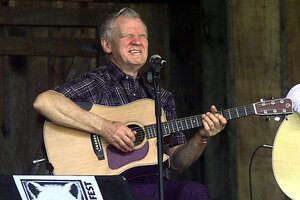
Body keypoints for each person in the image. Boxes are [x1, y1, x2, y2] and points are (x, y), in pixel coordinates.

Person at [33, 7, 227, 200]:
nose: (137, 41)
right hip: (110, 185)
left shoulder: (161, 98)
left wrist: (201, 136)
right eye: (128, 35)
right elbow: (44, 102)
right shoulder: (96, 83)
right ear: (107, 45)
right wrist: (105, 128)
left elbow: (177, 162)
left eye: (143, 36)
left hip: (154, 186)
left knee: (195, 192)